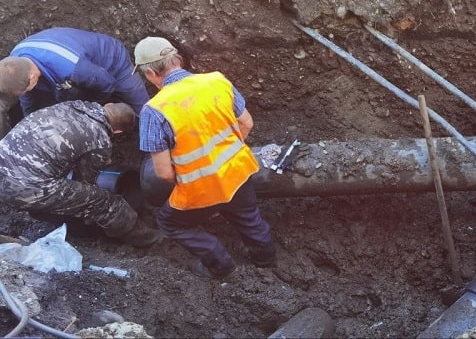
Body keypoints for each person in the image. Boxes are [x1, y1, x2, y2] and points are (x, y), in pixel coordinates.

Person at [134, 36, 276, 278]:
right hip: (237, 172)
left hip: (199, 188)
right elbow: (247, 123)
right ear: (176, 59)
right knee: (248, 217)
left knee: (170, 222)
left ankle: (222, 265)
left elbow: (164, 173)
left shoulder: (154, 111)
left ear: (150, 74)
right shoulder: (217, 81)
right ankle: (266, 261)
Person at [0, 100, 162, 248]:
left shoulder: (73, 105)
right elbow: (88, 180)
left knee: (62, 183)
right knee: (104, 202)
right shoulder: (100, 140)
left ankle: (60, 220)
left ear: (108, 105)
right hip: (24, 188)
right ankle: (149, 240)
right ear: (118, 131)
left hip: (5, 163)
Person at [0, 27, 150, 136]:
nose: (27, 93)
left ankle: (149, 147)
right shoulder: (16, 62)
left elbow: (107, 84)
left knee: (144, 111)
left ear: (32, 77)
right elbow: (28, 100)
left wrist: (92, 111)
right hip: (65, 77)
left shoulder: (71, 67)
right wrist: (30, 124)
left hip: (112, 63)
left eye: (26, 90)